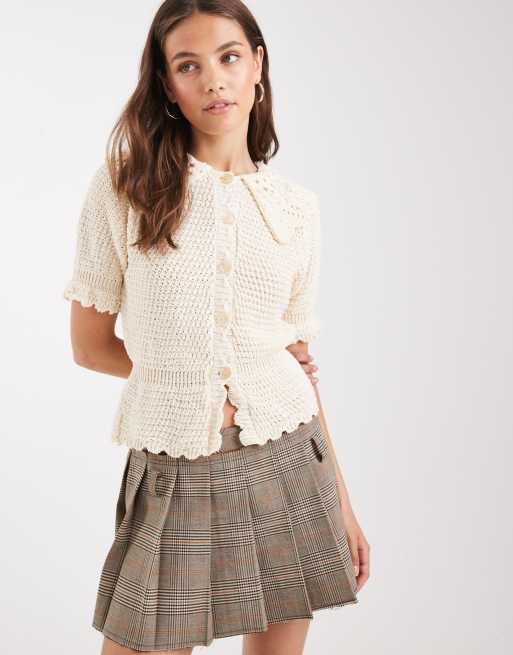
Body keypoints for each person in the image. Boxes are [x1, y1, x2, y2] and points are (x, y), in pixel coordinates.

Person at [63, 1, 370, 653]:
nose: (213, 80)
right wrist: (194, 370)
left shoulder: (296, 210)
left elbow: (297, 363)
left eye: (229, 57)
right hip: (176, 462)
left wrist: (343, 501)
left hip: (292, 460)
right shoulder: (126, 187)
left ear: (257, 64)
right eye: (188, 65)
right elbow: (89, 347)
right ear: (167, 84)